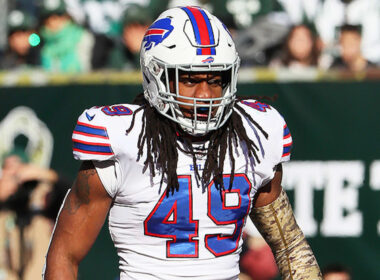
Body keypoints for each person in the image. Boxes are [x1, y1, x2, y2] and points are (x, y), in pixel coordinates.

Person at [44, 6, 322, 280]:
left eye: (216, 79)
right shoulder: (124, 139)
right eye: (189, 79)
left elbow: (291, 247)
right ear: (156, 76)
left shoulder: (254, 134)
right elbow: (64, 255)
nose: (205, 94)